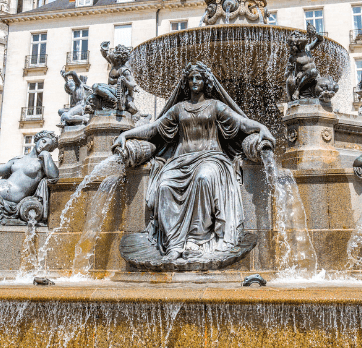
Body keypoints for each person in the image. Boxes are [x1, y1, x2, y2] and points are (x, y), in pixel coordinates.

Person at [113, 62, 274, 262]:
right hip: (180, 161)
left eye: (198, 78)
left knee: (204, 179)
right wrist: (126, 134)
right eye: (191, 78)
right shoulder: (179, 108)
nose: (194, 82)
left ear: (205, 81)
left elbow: (240, 122)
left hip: (211, 159)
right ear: (186, 82)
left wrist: (261, 128)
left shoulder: (215, 105)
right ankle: (174, 244)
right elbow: (153, 128)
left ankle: (197, 239)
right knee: (164, 186)